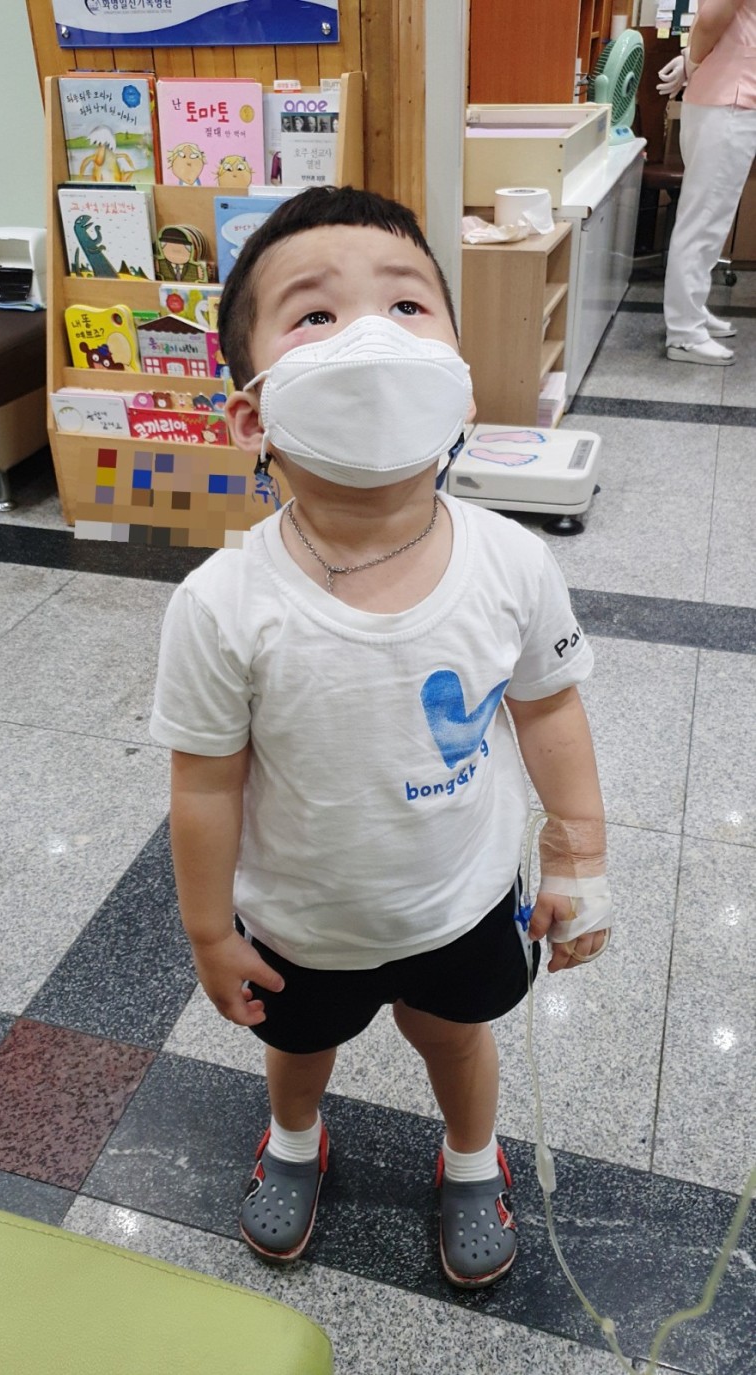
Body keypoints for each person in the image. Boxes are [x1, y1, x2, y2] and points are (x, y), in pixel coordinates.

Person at [150, 187, 612, 1289]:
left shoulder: (510, 562)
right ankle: (294, 1138)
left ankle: (470, 1156)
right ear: (252, 416)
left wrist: (579, 851)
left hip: (461, 896)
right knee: (298, 1044)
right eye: (314, 315)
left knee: (453, 1034)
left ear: (457, 381)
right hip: (300, 915)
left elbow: (548, 706)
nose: (369, 337)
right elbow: (204, 785)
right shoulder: (222, 604)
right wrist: (209, 932)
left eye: (406, 306)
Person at [657, 0, 756, 364]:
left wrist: (691, 60)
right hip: (728, 100)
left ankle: (691, 311)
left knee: (709, 217)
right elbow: (713, 18)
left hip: (725, 96)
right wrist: (692, 62)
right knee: (704, 219)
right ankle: (685, 332)